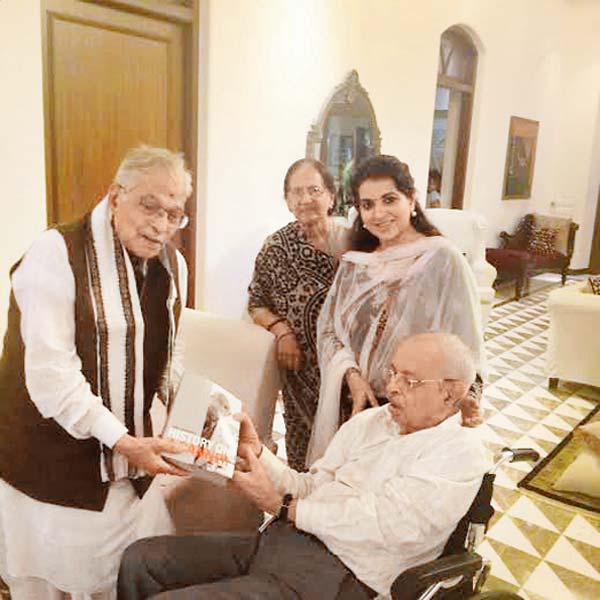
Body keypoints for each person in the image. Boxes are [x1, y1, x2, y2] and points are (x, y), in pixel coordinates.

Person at [117, 332, 489, 600]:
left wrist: (283, 507)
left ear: (450, 393)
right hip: (282, 541)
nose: (391, 386)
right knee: (141, 559)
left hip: (345, 576)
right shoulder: (370, 422)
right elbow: (310, 485)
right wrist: (257, 453)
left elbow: (389, 526)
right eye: (391, 372)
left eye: (409, 380)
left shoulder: (460, 451)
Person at [0, 145, 193, 599]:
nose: (161, 224)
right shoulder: (55, 253)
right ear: (115, 195)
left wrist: (200, 421)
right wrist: (123, 440)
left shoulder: (172, 265)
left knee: (133, 573)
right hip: (50, 459)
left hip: (129, 461)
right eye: (150, 205)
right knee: (54, 584)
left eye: (174, 213)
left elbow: (169, 354)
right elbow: (52, 377)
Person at [307, 155, 484, 465]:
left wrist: (463, 405)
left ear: (411, 199)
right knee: (348, 489)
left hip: (417, 412)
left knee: (395, 497)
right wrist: (351, 376)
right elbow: (329, 329)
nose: (379, 214)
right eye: (368, 204)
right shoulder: (356, 264)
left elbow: (466, 348)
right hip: (355, 404)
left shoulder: (442, 259)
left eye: (389, 200)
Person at [247, 158, 347, 471]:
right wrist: (282, 331)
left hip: (348, 370)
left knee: (346, 451)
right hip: (299, 369)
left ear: (331, 196)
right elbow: (256, 302)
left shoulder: (355, 245)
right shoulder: (275, 247)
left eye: (314, 190)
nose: (305, 199)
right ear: (287, 200)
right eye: (296, 192)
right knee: (302, 452)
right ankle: (300, 511)